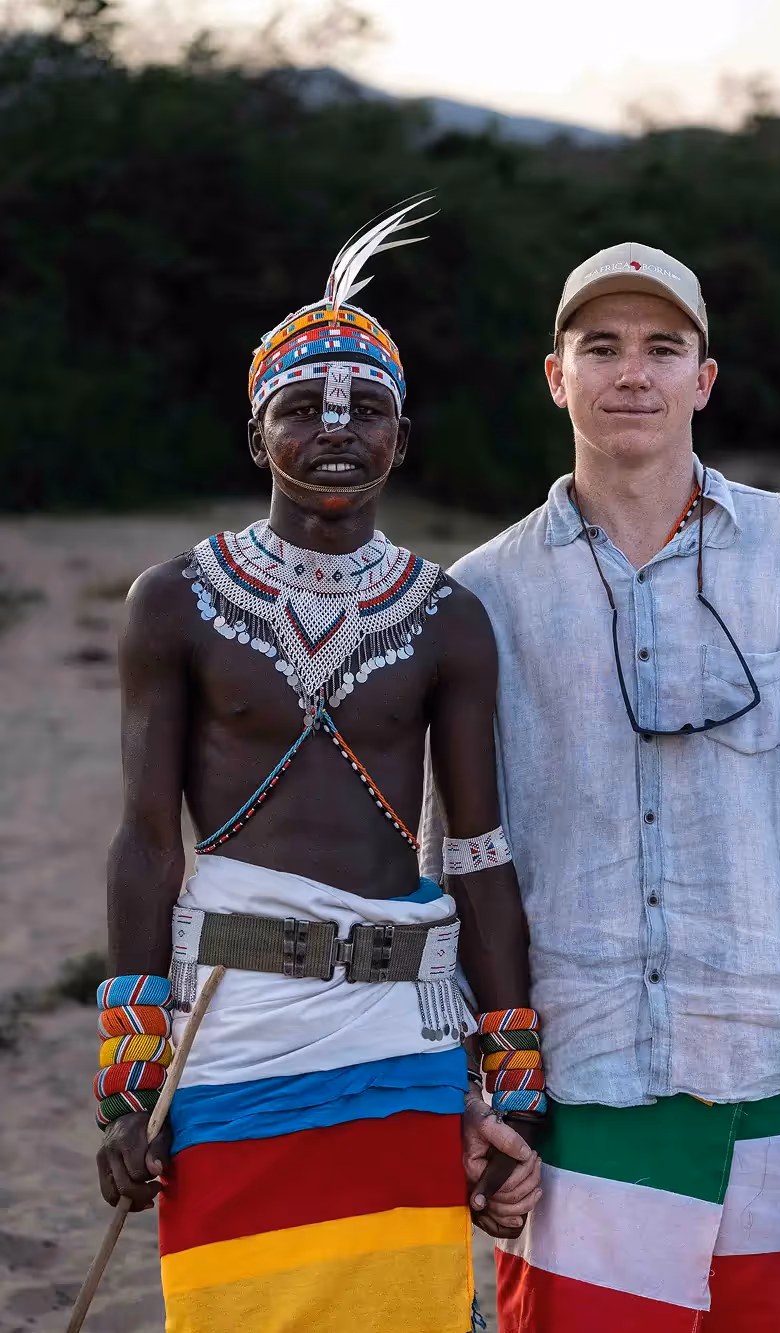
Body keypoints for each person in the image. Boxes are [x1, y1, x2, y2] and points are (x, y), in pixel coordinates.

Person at [420, 242, 780, 1332]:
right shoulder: (477, 594)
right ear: (557, 375)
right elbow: (451, 871)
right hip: (585, 1096)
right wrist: (464, 1090)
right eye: (602, 347)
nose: (632, 373)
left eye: (661, 348)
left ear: (701, 380)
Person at [93, 199, 544, 1333]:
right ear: (258, 437)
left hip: (399, 1025)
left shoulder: (447, 616)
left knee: (405, 1303)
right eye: (301, 407)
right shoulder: (178, 601)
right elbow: (148, 840)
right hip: (231, 1017)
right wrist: (128, 1080)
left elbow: (479, 854)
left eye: (367, 408)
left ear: (402, 435)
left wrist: (517, 1079)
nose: (334, 428)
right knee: (241, 1305)